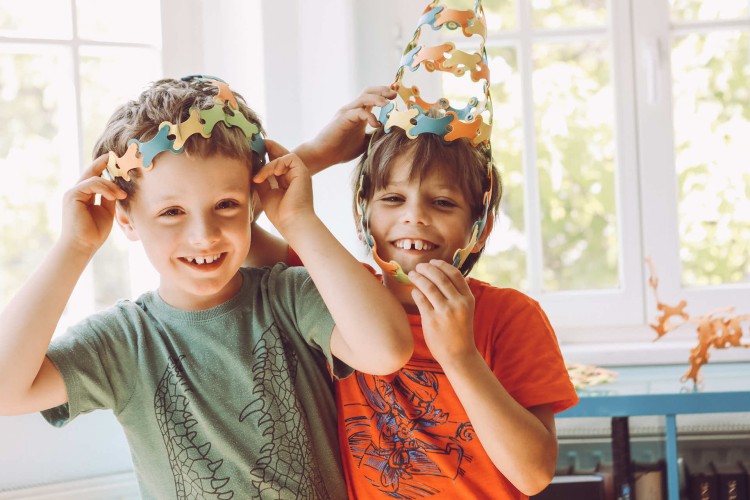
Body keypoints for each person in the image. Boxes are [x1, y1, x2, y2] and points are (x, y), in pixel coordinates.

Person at [0, 76, 413, 499]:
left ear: (252, 203)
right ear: (125, 218)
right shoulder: (124, 340)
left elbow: (386, 351)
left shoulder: (291, 296)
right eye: (172, 212)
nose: (204, 235)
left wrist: (298, 220)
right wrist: (75, 247)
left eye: (226, 204)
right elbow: (5, 390)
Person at [253, 83, 580, 498]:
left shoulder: (512, 316)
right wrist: (319, 154)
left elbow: (533, 474)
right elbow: (226, 233)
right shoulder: (332, 289)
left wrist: (460, 357)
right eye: (393, 198)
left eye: (442, 202)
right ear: (363, 217)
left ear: (480, 228)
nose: (415, 217)